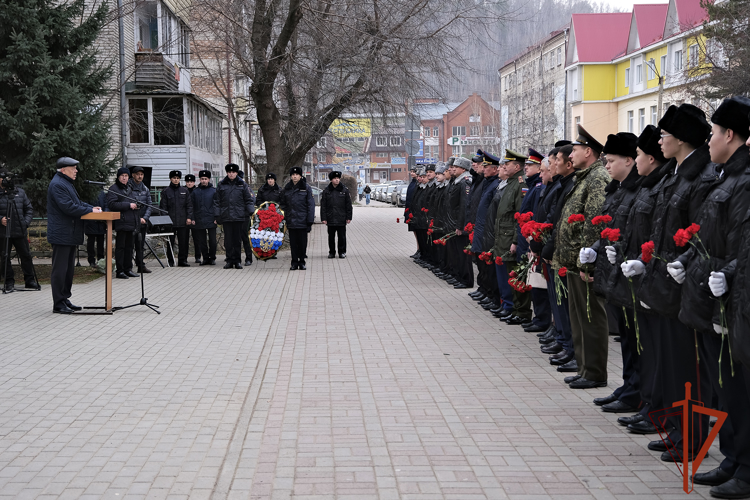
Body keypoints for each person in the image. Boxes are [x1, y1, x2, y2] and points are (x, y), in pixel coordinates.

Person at [622, 104, 715, 461]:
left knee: (688, 366)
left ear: (681, 138)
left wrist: (683, 263)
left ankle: (693, 438)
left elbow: (702, 233)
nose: (659, 140)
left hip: (684, 284)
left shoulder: (702, 177)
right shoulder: (676, 175)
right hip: (664, 283)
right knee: (671, 363)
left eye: (663, 134)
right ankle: (678, 429)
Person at [672, 97, 750, 498]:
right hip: (712, 293)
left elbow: (744, 246)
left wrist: (728, 275)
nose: (710, 142)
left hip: (732, 297)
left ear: (730, 135)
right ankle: (733, 458)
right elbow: (703, 231)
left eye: (715, 134)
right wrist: (686, 258)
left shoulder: (745, 181)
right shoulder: (725, 178)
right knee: (726, 386)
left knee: (738, 384)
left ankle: (746, 467)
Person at [580, 132, 642, 414]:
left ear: (630, 161)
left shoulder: (636, 188)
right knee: (628, 339)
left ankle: (637, 392)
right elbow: (609, 230)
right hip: (614, 272)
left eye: (611, 160)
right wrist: (595, 248)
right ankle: (629, 386)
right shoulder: (618, 189)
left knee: (635, 340)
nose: (606, 166)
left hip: (628, 274)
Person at [554, 124, 611, 390]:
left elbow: (595, 223)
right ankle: (584, 367)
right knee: (578, 317)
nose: (570, 156)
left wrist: (588, 261)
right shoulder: (584, 177)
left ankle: (595, 372)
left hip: (584, 262)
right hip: (574, 261)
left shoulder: (597, 177)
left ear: (588, 151)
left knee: (591, 317)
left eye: (574, 150)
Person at [47, 157, 101, 314]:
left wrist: (92, 207)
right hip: (61, 234)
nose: (76, 171)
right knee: (60, 270)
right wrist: (91, 211)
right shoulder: (58, 184)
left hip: (69, 234)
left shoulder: (65, 183)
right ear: (63, 170)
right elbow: (68, 207)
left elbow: (77, 203)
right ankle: (58, 303)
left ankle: (64, 298)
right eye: (73, 168)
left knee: (68, 270)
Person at [492, 150, 530, 325]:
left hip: (510, 238)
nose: (503, 167)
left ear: (516, 167)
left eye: (506, 165)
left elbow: (520, 215)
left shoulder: (520, 185)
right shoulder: (510, 183)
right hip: (503, 236)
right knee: (507, 274)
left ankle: (519, 310)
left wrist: (515, 240)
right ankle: (510, 307)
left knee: (513, 274)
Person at [0, 172, 38, 292]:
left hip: (19, 230)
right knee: (4, 257)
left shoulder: (20, 192)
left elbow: (29, 209)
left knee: (26, 255)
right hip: (3, 232)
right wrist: (0, 219)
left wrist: (25, 223)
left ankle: (30, 280)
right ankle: (8, 281)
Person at [214, 163, 255, 269]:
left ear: (236, 173)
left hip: (239, 216)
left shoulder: (242, 184)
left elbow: (248, 199)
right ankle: (229, 260)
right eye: (229, 172)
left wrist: (251, 211)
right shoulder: (221, 185)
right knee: (228, 240)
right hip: (226, 216)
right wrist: (217, 215)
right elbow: (217, 201)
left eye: (233, 172)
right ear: (227, 173)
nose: (231, 174)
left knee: (237, 240)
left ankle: (237, 261)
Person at [106, 167, 141, 279]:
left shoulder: (130, 188)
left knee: (129, 247)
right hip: (121, 222)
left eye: (126, 176)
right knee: (120, 248)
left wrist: (136, 205)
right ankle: (119, 271)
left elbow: (133, 201)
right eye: (122, 176)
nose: (125, 178)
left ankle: (128, 269)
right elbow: (112, 204)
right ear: (118, 177)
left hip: (131, 221)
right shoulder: (113, 189)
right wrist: (128, 205)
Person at [280, 166, 315, 270]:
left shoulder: (306, 188)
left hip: (302, 220)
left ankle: (302, 261)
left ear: (300, 176)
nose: (295, 176)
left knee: (302, 242)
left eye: (297, 175)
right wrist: (285, 215)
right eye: (293, 175)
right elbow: (283, 204)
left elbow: (310, 205)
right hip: (291, 220)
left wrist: (309, 221)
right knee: (293, 243)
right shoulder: (287, 188)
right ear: (291, 176)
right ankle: (294, 262)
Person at [447, 157, 472, 288]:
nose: (453, 169)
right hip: (455, 221)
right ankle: (459, 277)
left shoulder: (465, 182)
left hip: (460, 224)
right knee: (457, 253)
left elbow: (464, 205)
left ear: (463, 169)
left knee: (463, 254)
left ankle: (466, 280)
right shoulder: (458, 181)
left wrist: (460, 225)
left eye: (456, 167)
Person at [160, 170, 193, 267]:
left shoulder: (184, 191)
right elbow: (163, 207)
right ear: (170, 179)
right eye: (174, 178)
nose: (176, 180)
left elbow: (189, 206)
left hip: (183, 221)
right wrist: (165, 220)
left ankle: (183, 260)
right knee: (170, 243)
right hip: (170, 222)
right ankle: (171, 261)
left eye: (178, 178)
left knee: (184, 242)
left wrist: (189, 217)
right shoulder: (166, 191)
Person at [320, 170, 352, 258]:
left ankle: (342, 252)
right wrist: (323, 218)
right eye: (335, 178)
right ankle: (332, 252)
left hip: (341, 217)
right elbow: (323, 206)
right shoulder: (327, 191)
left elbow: (348, 205)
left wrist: (349, 217)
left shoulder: (344, 190)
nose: (337, 180)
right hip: (330, 217)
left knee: (342, 237)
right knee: (331, 237)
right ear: (331, 180)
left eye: (338, 178)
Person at [128, 166, 152, 273]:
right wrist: (137, 219)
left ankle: (140, 265)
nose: (140, 176)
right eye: (138, 174)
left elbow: (149, 205)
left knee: (140, 245)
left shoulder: (145, 189)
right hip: (132, 221)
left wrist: (145, 218)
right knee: (130, 245)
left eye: (142, 174)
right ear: (133, 175)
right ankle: (128, 266)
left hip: (142, 222)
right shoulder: (128, 188)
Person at [193, 170, 217, 266]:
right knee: (202, 241)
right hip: (199, 218)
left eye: (205, 179)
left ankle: (212, 258)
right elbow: (192, 206)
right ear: (200, 179)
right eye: (202, 179)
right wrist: (193, 218)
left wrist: (217, 217)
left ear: (209, 179)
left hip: (211, 218)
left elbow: (216, 205)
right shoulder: (195, 192)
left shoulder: (214, 191)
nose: (203, 181)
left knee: (212, 241)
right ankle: (205, 258)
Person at [84, 190, 106, 268]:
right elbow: (85, 205)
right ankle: (91, 261)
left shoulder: (102, 192)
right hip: (91, 222)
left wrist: (104, 213)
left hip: (101, 222)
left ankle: (101, 260)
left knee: (101, 242)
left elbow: (106, 204)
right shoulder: (88, 192)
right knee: (91, 242)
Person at [237, 170, 255, 266]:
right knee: (235, 239)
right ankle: (235, 258)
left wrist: (249, 211)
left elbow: (252, 199)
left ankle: (249, 258)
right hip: (234, 216)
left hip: (244, 215)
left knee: (245, 238)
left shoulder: (245, 187)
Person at [184, 174, 201, 264]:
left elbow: (197, 206)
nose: (189, 183)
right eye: (187, 182)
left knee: (197, 239)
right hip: (185, 219)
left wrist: (194, 218)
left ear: (194, 182)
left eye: (191, 182)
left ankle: (198, 256)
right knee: (184, 240)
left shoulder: (197, 191)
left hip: (195, 219)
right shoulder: (183, 190)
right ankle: (184, 257)